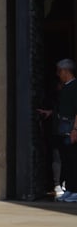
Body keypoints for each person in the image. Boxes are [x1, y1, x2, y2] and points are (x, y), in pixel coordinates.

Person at [52, 59, 77, 202]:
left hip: (71, 126)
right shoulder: (65, 87)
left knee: (73, 159)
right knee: (67, 159)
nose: (58, 74)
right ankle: (71, 189)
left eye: (59, 71)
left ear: (66, 71)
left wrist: (75, 129)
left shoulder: (74, 86)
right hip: (63, 126)